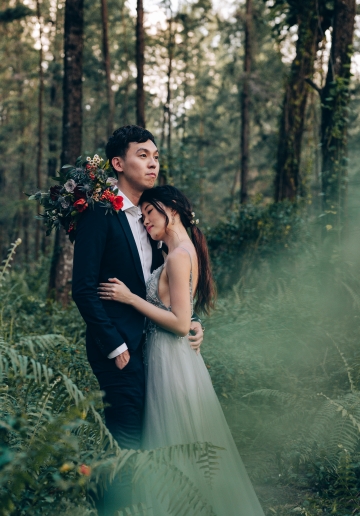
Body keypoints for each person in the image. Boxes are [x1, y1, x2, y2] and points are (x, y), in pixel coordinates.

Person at [98, 185, 266, 516]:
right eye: (142, 215)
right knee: (184, 440)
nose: (145, 221)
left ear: (171, 210)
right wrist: (193, 322)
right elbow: (185, 313)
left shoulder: (177, 256)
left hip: (171, 359)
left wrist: (131, 298)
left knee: (175, 441)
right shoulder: (182, 251)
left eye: (149, 213)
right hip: (172, 357)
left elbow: (178, 322)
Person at [72, 126, 203, 514]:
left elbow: (166, 284)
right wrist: (115, 346)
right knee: (127, 440)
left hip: (155, 346)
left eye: (156, 156)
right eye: (143, 155)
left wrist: (191, 321)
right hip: (119, 350)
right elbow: (83, 288)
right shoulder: (99, 214)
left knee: (147, 440)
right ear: (117, 163)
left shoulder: (154, 217)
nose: (153, 163)